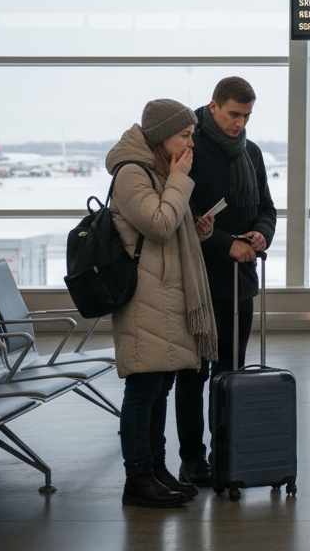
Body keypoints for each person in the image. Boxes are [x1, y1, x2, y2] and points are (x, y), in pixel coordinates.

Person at [106, 99, 218, 508]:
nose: (191, 143)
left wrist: (197, 230)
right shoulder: (132, 173)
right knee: (143, 389)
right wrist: (180, 181)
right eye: (184, 135)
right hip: (145, 298)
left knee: (159, 388)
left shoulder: (157, 171)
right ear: (161, 136)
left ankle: (156, 468)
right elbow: (158, 224)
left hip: (164, 294)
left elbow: (167, 232)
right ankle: (138, 477)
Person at [172, 77, 278, 487]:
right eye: (234, 114)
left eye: (247, 116)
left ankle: (226, 451)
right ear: (213, 107)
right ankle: (192, 459)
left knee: (230, 371)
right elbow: (180, 213)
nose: (240, 123)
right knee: (193, 372)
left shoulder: (251, 152)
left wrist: (261, 234)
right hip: (198, 279)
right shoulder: (189, 149)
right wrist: (224, 244)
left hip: (240, 281)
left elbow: (266, 207)